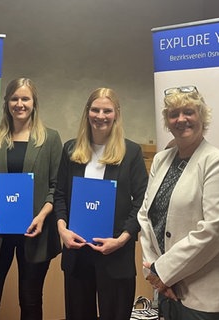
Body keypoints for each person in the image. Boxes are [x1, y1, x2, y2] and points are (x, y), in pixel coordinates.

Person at [137, 85, 219, 320]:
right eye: (174, 114)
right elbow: (145, 216)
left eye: (188, 112)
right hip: (166, 288)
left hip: (205, 295)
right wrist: (155, 273)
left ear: (202, 117)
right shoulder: (161, 160)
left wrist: (162, 272)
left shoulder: (217, 163)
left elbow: (212, 231)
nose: (181, 119)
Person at [54, 87, 148, 320]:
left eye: (107, 110)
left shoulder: (131, 152)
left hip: (115, 253)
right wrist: (62, 230)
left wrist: (123, 239)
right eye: (95, 110)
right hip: (78, 253)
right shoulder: (70, 149)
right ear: (87, 113)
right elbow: (59, 195)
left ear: (116, 114)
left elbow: (143, 202)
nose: (100, 116)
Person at [0, 78, 63, 320]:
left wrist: (43, 216)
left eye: (25, 98)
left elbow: (57, 186)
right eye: (14, 98)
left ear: (34, 103)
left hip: (35, 230)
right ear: (7, 102)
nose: (20, 104)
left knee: (31, 301)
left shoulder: (51, 139)